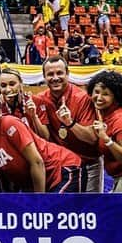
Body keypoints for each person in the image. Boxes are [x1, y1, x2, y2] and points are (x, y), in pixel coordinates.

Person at [0, 93, 81, 192]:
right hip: (32, 183)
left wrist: (38, 201)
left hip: (62, 168)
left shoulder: (10, 124)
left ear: (0, 112)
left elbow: (37, 162)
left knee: (50, 211)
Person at [25, 56, 101, 192]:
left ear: (68, 73)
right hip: (60, 166)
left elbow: (92, 138)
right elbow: (45, 137)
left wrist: (70, 123)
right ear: (44, 76)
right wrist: (33, 117)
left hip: (88, 164)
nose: (55, 78)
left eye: (59, 73)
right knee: (63, 210)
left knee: (89, 210)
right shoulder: (40, 99)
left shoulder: (83, 98)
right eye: (50, 74)